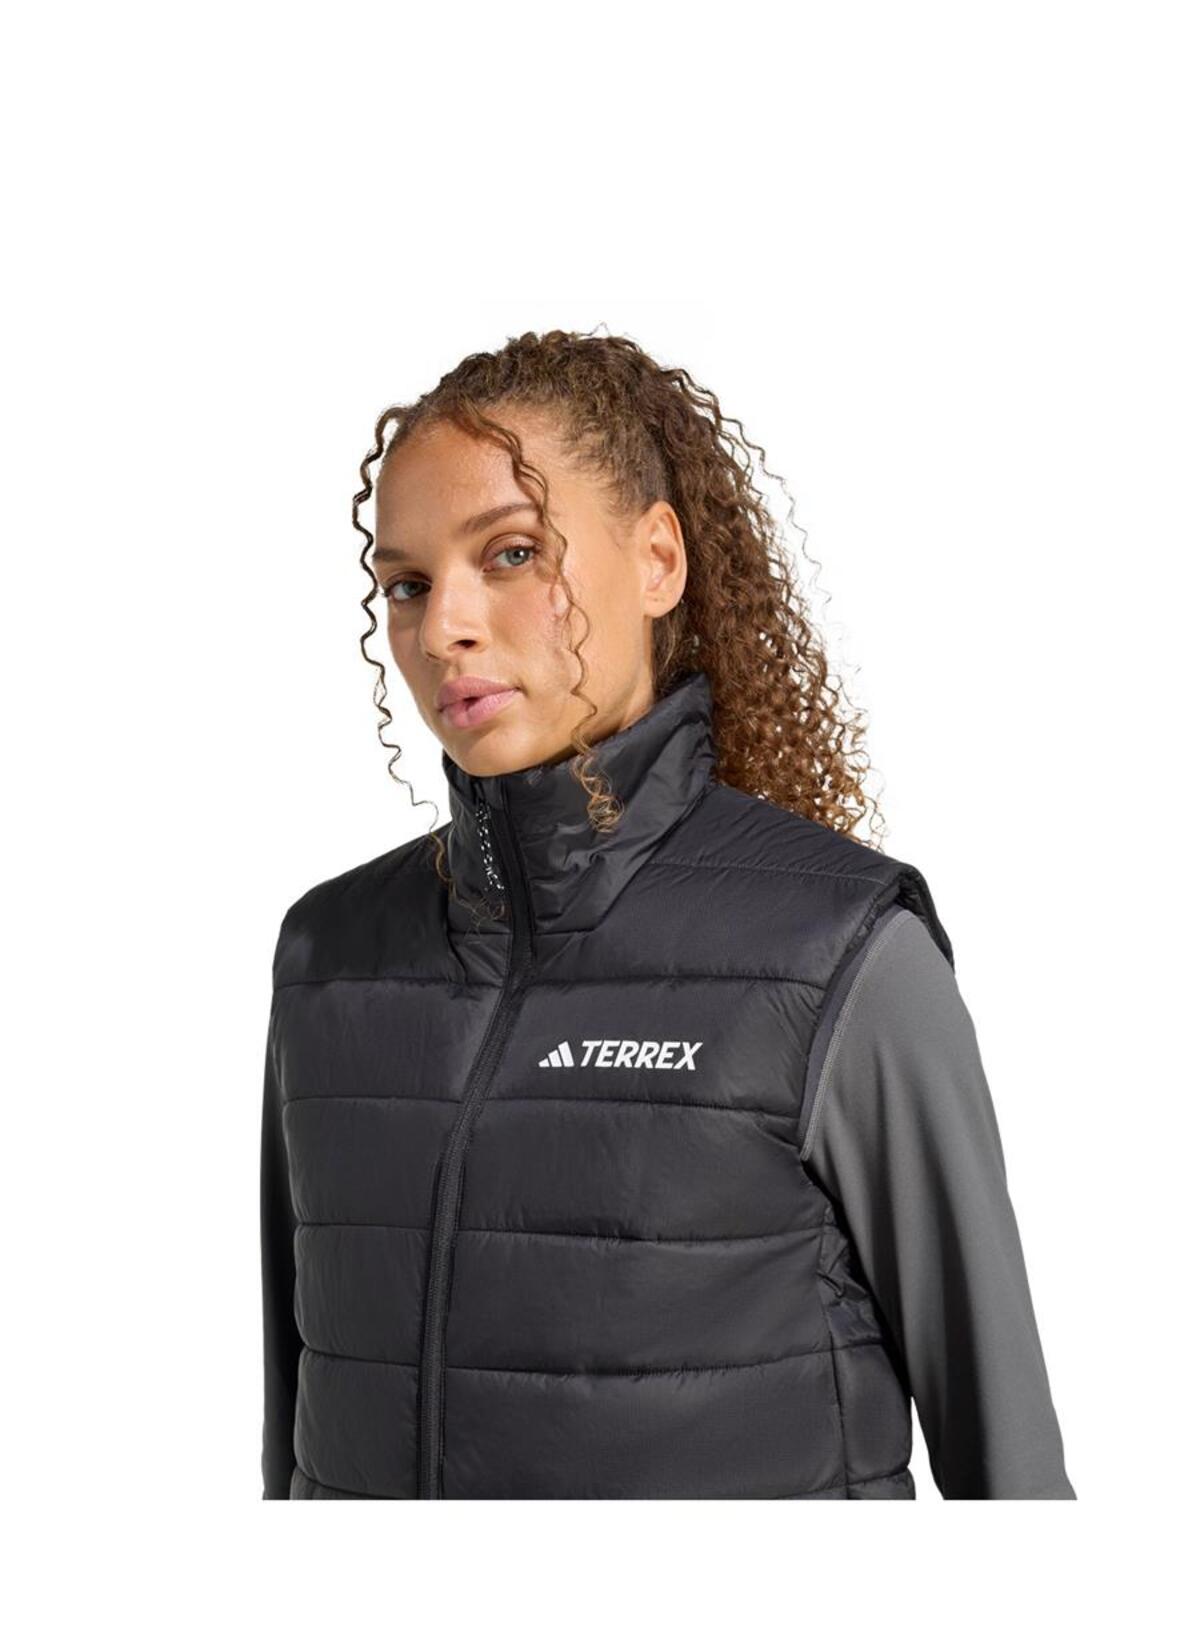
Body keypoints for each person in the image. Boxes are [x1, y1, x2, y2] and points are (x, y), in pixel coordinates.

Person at [260, 328, 1076, 1501]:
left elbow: (1013, 1476)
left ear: (656, 561)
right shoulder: (330, 958)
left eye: (513, 553)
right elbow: (298, 1434)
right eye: (408, 584)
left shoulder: (835, 953)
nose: (442, 630)